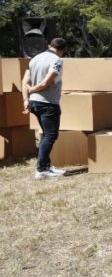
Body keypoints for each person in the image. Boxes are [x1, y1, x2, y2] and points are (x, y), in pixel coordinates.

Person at [21, 38, 67, 179]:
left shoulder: (34, 59)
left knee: (46, 134)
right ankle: (41, 170)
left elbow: (25, 81)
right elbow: (46, 82)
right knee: (50, 135)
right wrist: (32, 90)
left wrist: (26, 99)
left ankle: (46, 166)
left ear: (49, 46)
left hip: (34, 103)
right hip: (48, 103)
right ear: (63, 50)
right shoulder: (57, 60)